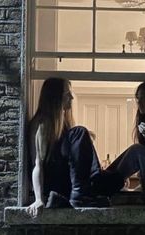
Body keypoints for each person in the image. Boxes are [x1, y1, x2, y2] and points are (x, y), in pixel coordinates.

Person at [26, 77, 123, 217]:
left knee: (117, 180)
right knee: (80, 132)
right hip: (53, 182)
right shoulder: (41, 123)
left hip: (66, 180)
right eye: (67, 94)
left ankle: (92, 185)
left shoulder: (63, 124)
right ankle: (82, 194)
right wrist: (38, 199)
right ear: (56, 98)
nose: (71, 97)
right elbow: (37, 165)